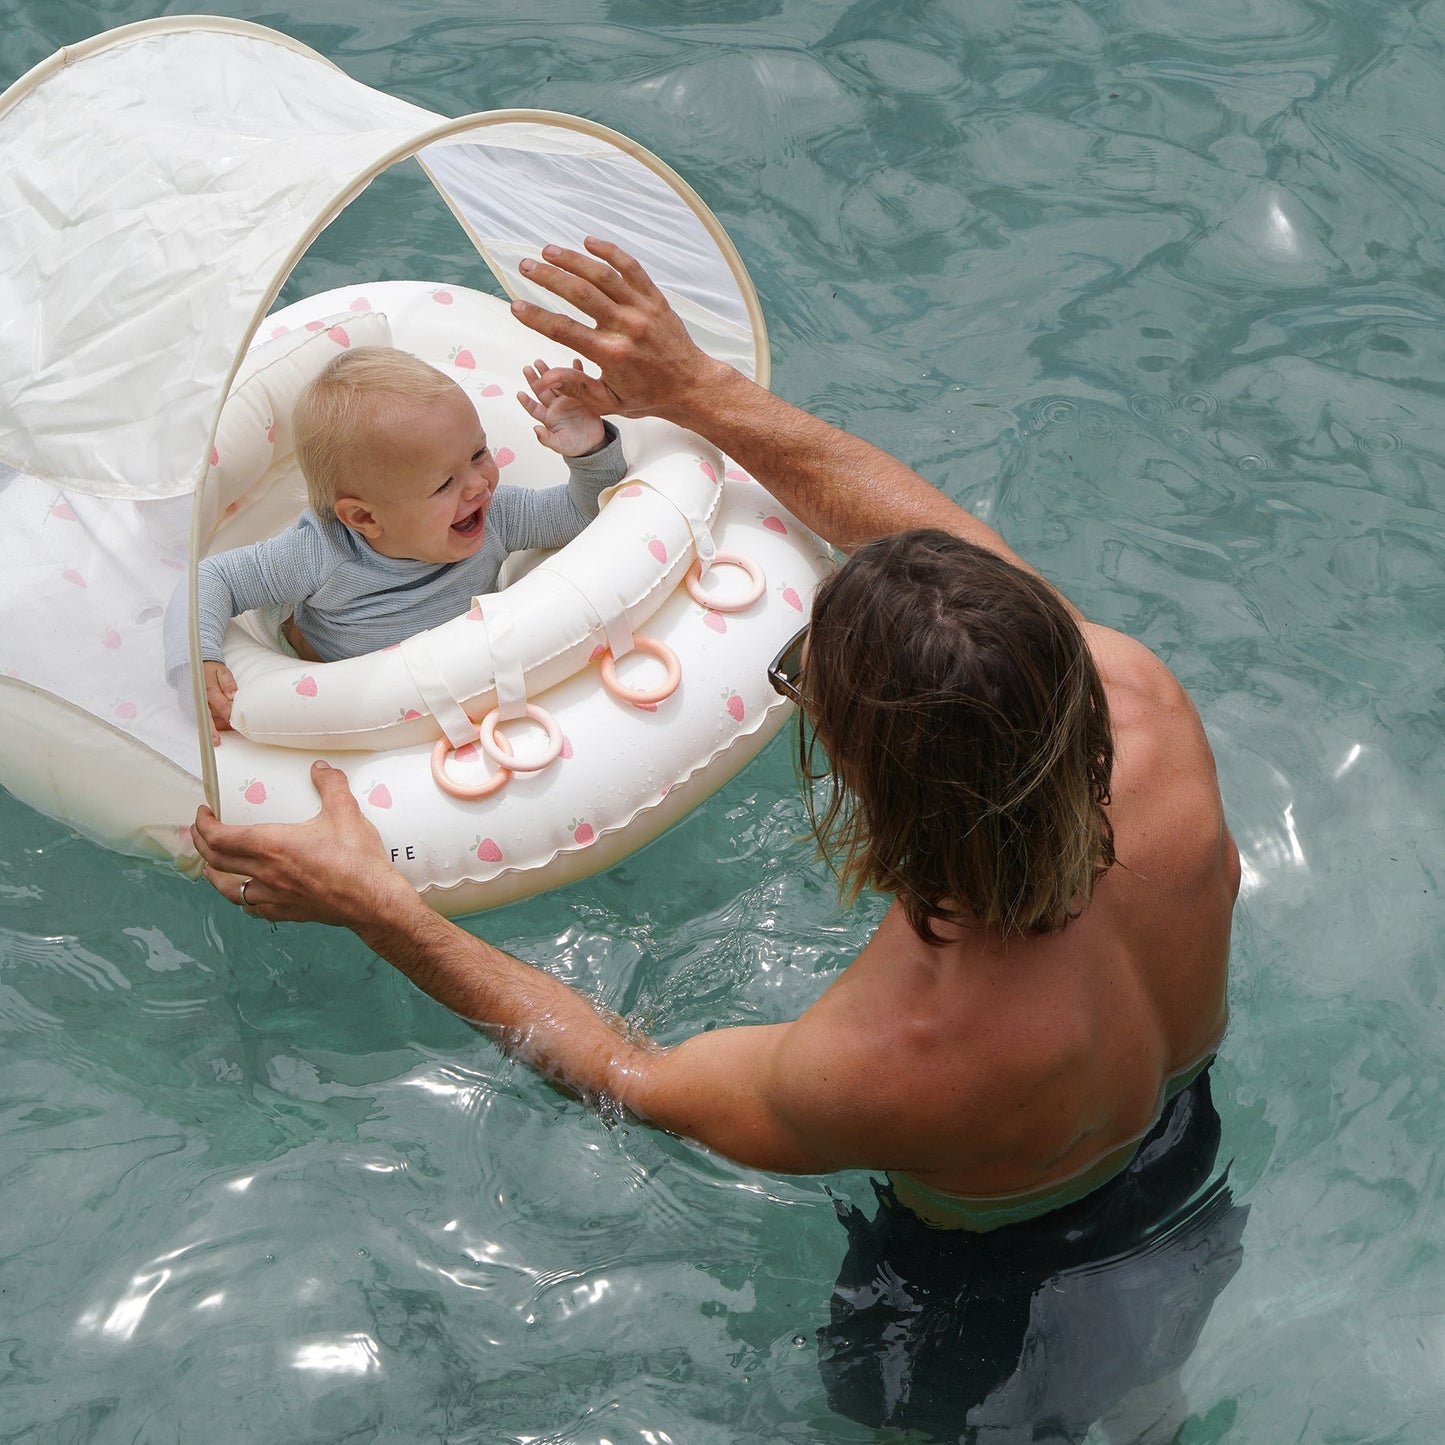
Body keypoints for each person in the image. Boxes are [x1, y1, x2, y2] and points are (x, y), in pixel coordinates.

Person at [192, 241, 1245, 1440]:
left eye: (805, 684)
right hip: (1186, 1168)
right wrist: (691, 388)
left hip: (992, 1304)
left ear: (874, 786)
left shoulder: (907, 1047)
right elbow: (947, 560)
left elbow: (629, 1075)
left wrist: (377, 905)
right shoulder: (1135, 704)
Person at [164, 346, 625, 740]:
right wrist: (198, 660)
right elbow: (210, 578)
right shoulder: (320, 553)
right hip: (322, 675)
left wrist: (589, 450)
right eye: (444, 485)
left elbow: (581, 514)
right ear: (364, 517)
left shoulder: (495, 515)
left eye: (478, 454)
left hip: (452, 675)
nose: (477, 486)